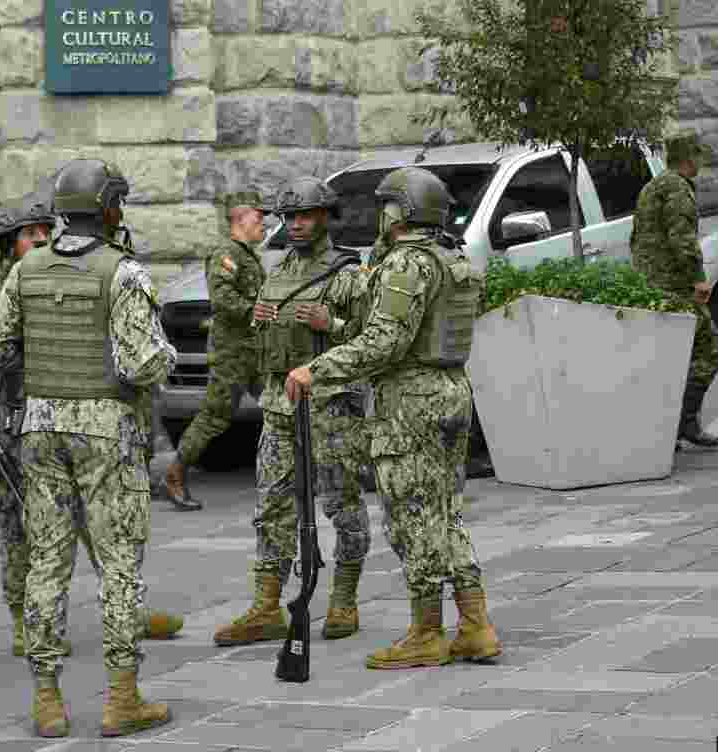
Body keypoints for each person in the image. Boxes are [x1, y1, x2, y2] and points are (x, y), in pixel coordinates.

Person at [0, 200, 186, 658]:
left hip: (71, 418)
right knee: (22, 533)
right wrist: (8, 353)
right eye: (29, 234)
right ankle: (22, 622)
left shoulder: (62, 275)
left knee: (103, 525)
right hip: (13, 428)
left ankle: (128, 612)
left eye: (42, 231)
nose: (40, 240)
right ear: (8, 244)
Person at [0, 159, 175, 739]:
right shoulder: (124, 271)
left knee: (47, 560)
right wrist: (165, 356)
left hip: (38, 424)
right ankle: (121, 697)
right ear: (110, 207)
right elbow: (143, 363)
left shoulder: (27, 268)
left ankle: (47, 700)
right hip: (105, 428)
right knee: (117, 565)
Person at [285, 167, 502, 669]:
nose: (379, 217)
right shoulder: (456, 259)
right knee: (446, 512)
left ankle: (427, 632)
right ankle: (475, 626)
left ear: (400, 213)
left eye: (385, 207)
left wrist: (316, 369)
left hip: (410, 400)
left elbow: (384, 343)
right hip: (452, 389)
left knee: (410, 516)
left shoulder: (407, 263)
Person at [212, 176, 371, 647]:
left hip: (331, 405)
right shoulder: (276, 275)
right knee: (273, 505)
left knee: (341, 502)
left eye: (305, 216)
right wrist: (260, 326)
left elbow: (373, 341)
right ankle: (266, 606)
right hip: (281, 405)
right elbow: (263, 344)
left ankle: (344, 598)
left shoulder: (346, 274)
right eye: (289, 217)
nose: (295, 225)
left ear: (325, 217)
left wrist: (332, 322)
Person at [163, 190, 269, 511]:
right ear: (240, 218)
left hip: (253, 349)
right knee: (216, 415)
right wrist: (256, 311)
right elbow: (222, 300)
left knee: (282, 406)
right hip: (232, 351)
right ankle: (175, 473)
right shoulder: (226, 253)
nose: (263, 222)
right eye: (258, 216)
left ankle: (304, 475)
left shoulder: (246, 253)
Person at [631, 131, 718, 447]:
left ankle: (668, 426)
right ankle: (684, 422)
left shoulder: (651, 187)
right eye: (699, 156)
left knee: (668, 356)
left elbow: (637, 239)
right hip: (673, 286)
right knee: (710, 348)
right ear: (690, 158)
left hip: (650, 284)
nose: (701, 162)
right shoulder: (677, 189)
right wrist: (698, 278)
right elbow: (682, 238)